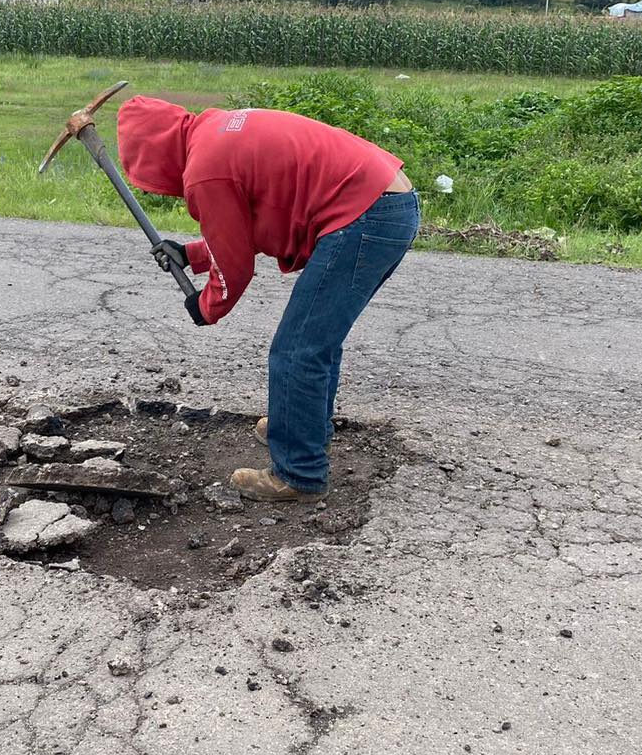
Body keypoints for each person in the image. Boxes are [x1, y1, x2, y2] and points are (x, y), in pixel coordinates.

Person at [117, 95, 419, 503]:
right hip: (386, 203)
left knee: (297, 349)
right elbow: (252, 224)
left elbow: (235, 265)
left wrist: (205, 307)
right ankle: (302, 426)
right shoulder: (215, 132)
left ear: (153, 155)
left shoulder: (206, 172)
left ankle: (298, 474)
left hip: (362, 215)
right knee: (317, 339)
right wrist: (190, 255)